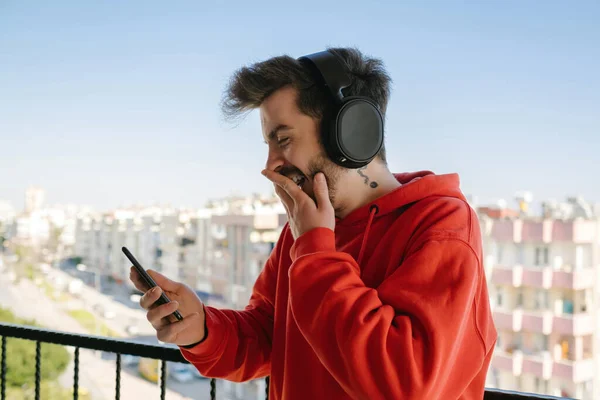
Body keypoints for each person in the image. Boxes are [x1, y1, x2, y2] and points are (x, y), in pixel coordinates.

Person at [130, 47, 497, 400]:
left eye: (283, 139)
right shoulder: (305, 231)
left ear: (352, 132)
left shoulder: (441, 224)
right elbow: (268, 337)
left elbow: (402, 385)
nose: (270, 164)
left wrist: (317, 251)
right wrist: (202, 329)